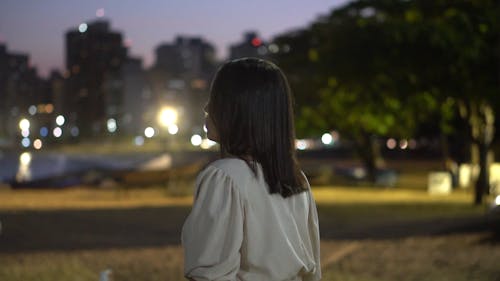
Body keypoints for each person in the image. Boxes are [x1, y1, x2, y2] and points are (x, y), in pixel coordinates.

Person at [182, 57, 321, 281]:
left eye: (216, 99)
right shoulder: (296, 180)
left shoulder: (225, 177)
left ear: (241, 110)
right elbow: (312, 270)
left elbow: (209, 273)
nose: (207, 107)